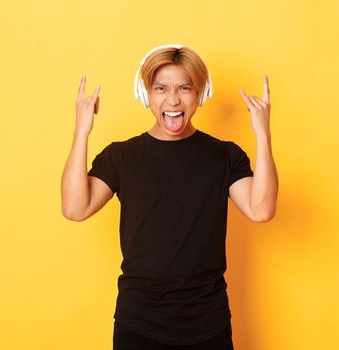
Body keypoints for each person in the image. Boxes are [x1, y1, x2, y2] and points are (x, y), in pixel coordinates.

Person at [60, 44, 278, 349]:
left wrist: (263, 136)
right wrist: (81, 131)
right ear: (145, 93)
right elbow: (74, 207)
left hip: (208, 322)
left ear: (200, 95)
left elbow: (261, 209)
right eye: (161, 88)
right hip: (138, 323)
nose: (173, 99)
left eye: (185, 88)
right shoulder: (121, 156)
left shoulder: (224, 155)